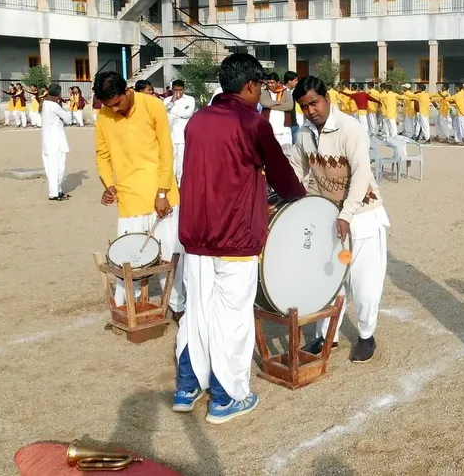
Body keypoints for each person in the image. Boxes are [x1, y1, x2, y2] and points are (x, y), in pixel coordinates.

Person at [174, 53, 306, 424]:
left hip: (195, 236)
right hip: (233, 237)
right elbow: (282, 176)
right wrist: (300, 197)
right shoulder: (252, 123)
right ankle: (227, 396)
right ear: (250, 85)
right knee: (232, 318)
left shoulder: (197, 120)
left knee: (197, 313)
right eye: (261, 86)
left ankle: (187, 387)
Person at [290, 75, 390, 364]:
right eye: (304, 106)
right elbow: (298, 167)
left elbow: (361, 175)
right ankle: (326, 336)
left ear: (327, 98)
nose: (310, 111)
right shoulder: (304, 134)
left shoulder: (350, 129)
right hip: (328, 215)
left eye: (314, 103)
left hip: (362, 216)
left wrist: (346, 214)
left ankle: (366, 335)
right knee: (329, 280)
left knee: (364, 284)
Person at [94, 71, 185, 318]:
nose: (115, 110)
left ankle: (178, 305)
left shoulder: (152, 105)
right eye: (109, 106)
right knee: (127, 257)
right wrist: (108, 184)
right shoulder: (103, 115)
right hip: (129, 197)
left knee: (169, 255)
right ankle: (128, 308)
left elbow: (167, 151)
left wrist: (163, 192)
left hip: (161, 195)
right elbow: (102, 154)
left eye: (117, 104)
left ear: (127, 91)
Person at [40, 84, 74, 201]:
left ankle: (57, 190)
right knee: (58, 168)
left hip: (47, 142)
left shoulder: (44, 103)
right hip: (56, 142)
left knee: (51, 169)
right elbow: (68, 119)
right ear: (58, 94)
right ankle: (54, 194)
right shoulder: (54, 105)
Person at [163, 80, 196, 186]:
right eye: (176, 90)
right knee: (171, 162)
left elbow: (187, 114)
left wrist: (171, 110)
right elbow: (164, 114)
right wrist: (172, 102)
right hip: (171, 135)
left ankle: (181, 187)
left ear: (184, 89)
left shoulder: (190, 99)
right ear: (172, 90)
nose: (178, 92)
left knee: (181, 164)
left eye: (180, 90)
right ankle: (171, 186)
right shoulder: (167, 100)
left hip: (182, 136)